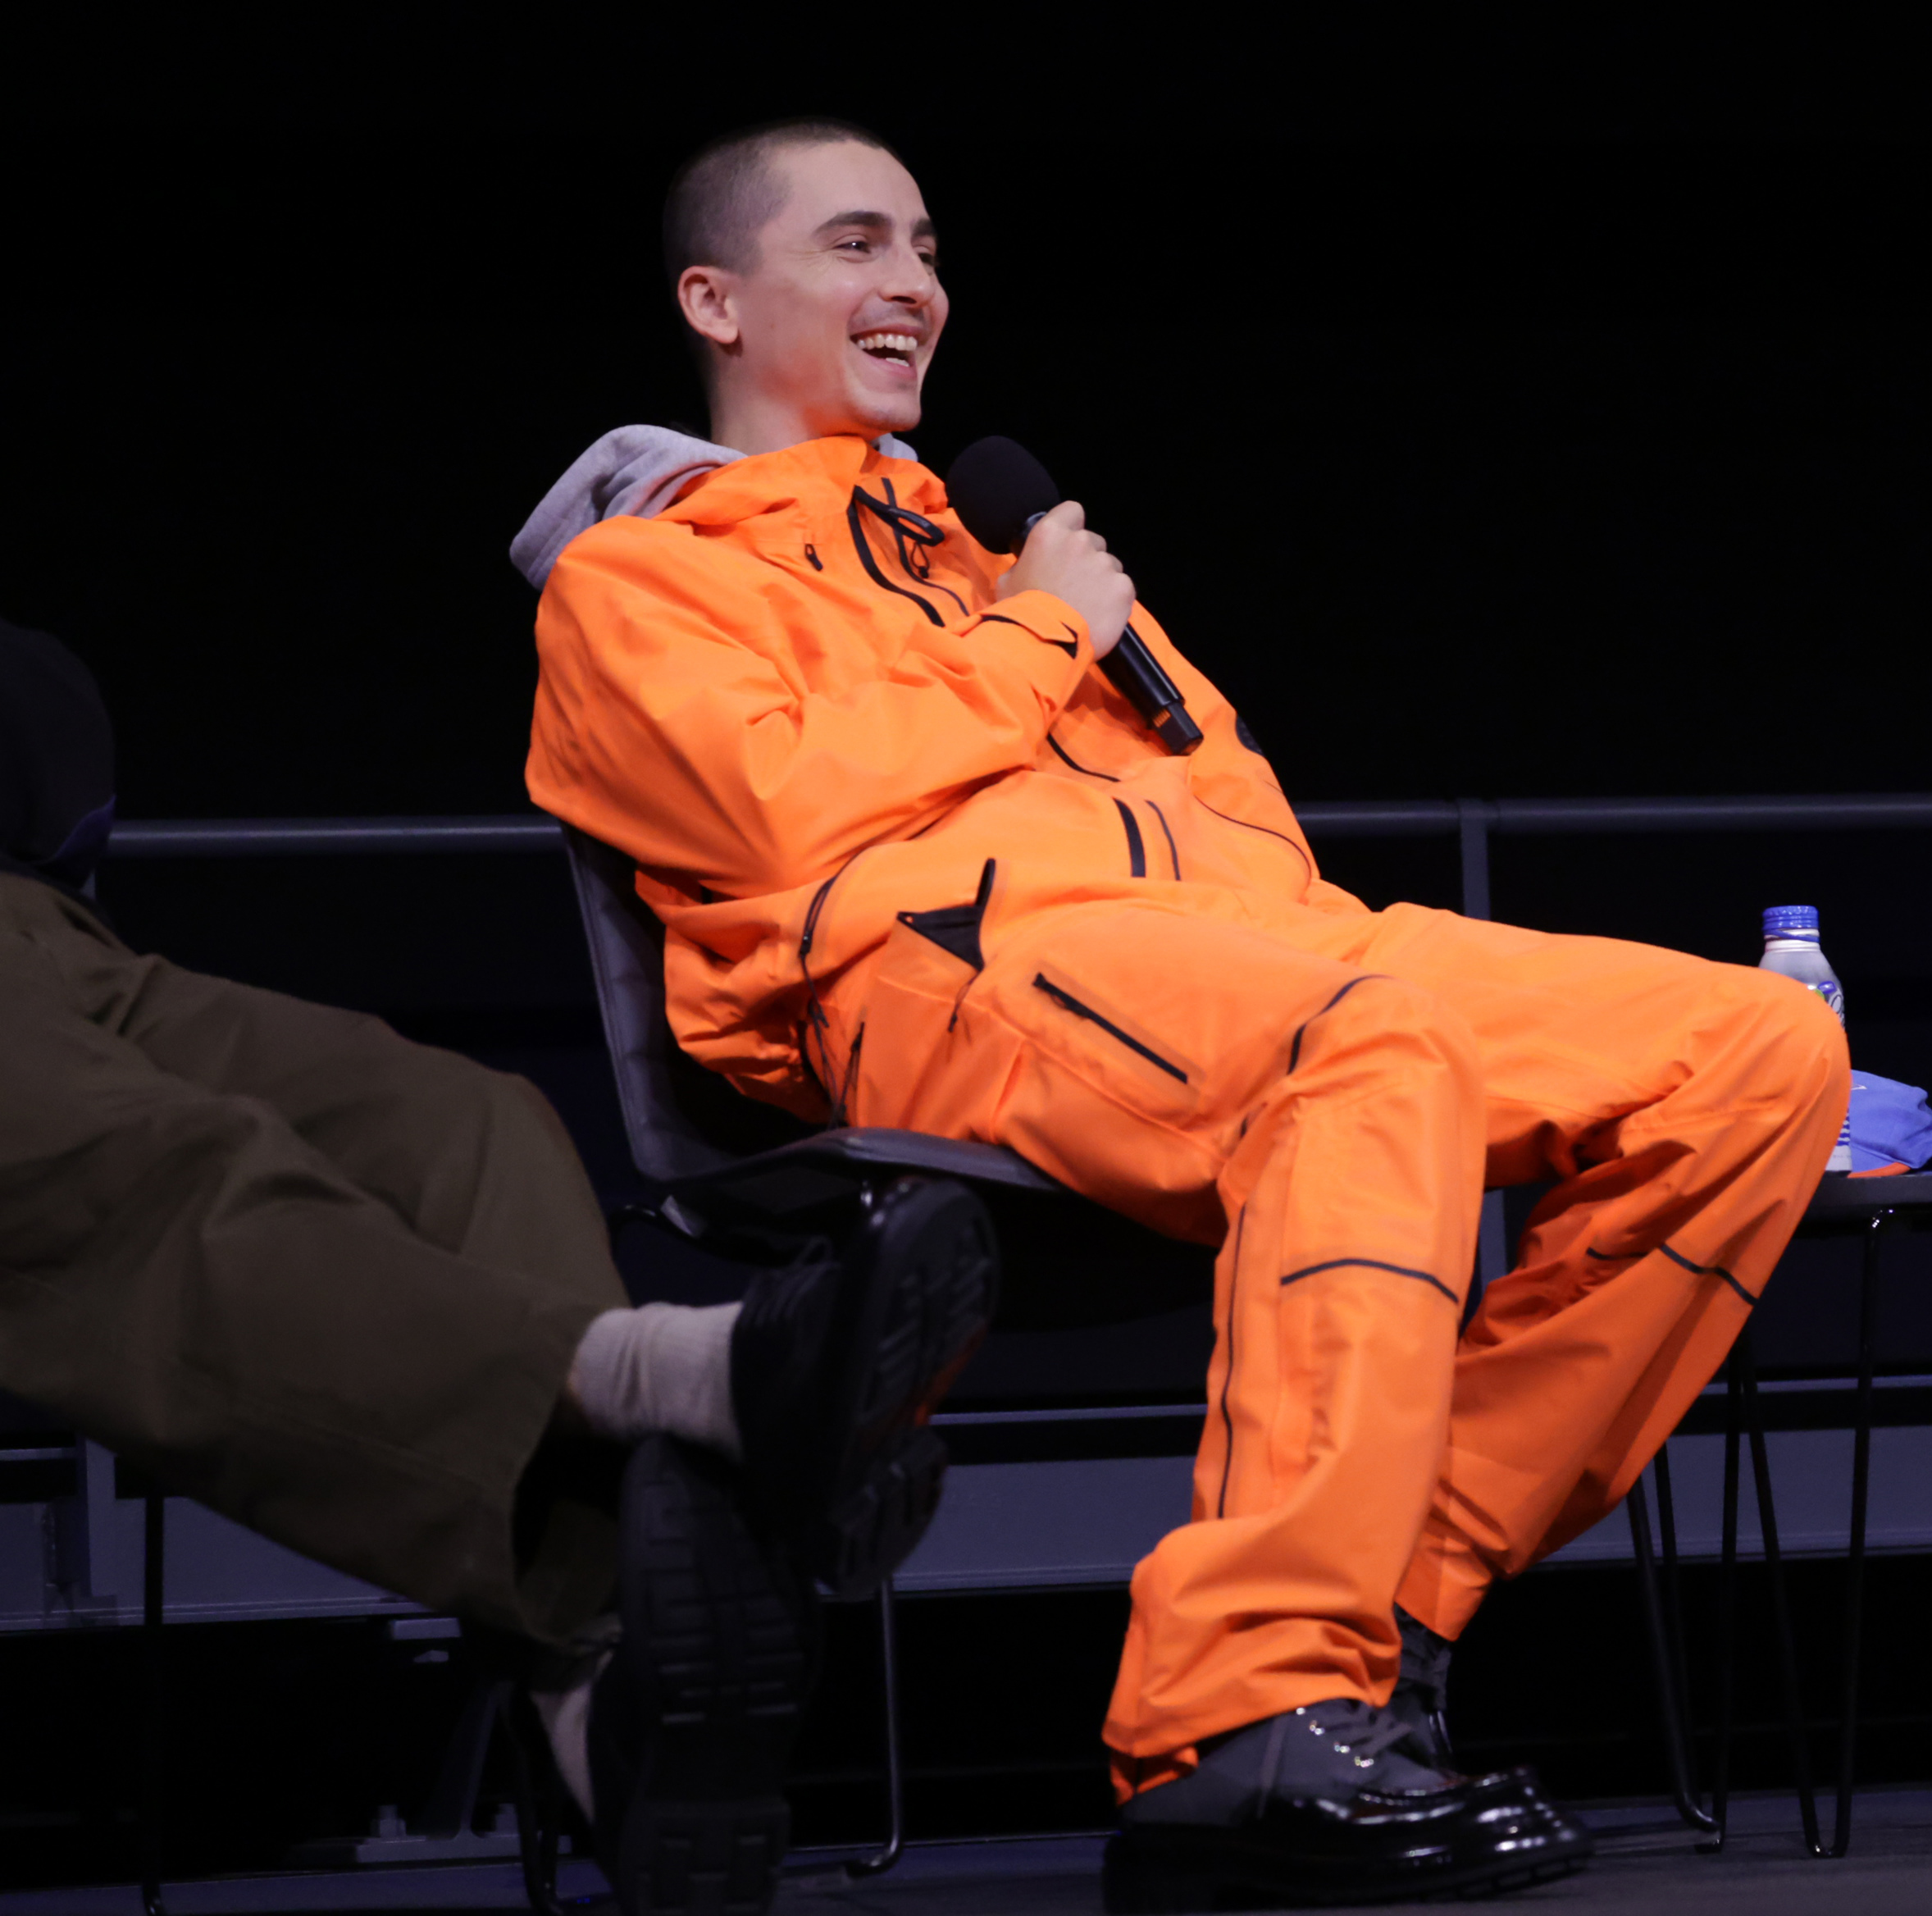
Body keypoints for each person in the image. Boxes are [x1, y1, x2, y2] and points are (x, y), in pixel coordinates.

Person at [515, 119, 1846, 1907]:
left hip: (1222, 957)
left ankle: (1387, 1609)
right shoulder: (644, 581)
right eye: (856, 243)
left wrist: (1077, 660)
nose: (915, 284)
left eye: (927, 247)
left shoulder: (996, 550)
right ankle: (1246, 1716)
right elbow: (778, 814)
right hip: (937, 976)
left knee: (1760, 1052)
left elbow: (1235, 792)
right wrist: (1038, 638)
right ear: (716, 301)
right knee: (1365, 1045)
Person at [0, 618, 995, 1915]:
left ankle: (600, 1699)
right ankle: (678, 1395)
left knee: (458, 1127)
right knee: (153, 1160)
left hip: (44, 929)